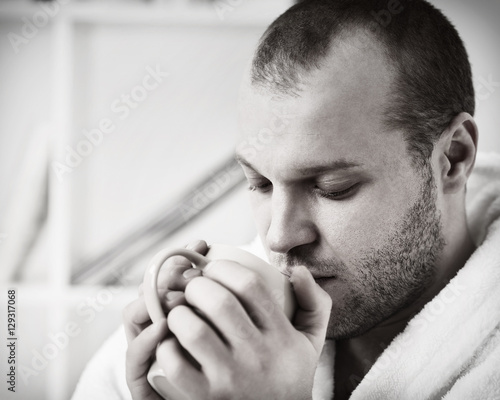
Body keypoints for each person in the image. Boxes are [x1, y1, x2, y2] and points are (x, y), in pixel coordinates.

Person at [72, 0, 500, 399]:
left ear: (452, 158)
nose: (278, 238)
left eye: (332, 187)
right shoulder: (199, 335)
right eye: (259, 183)